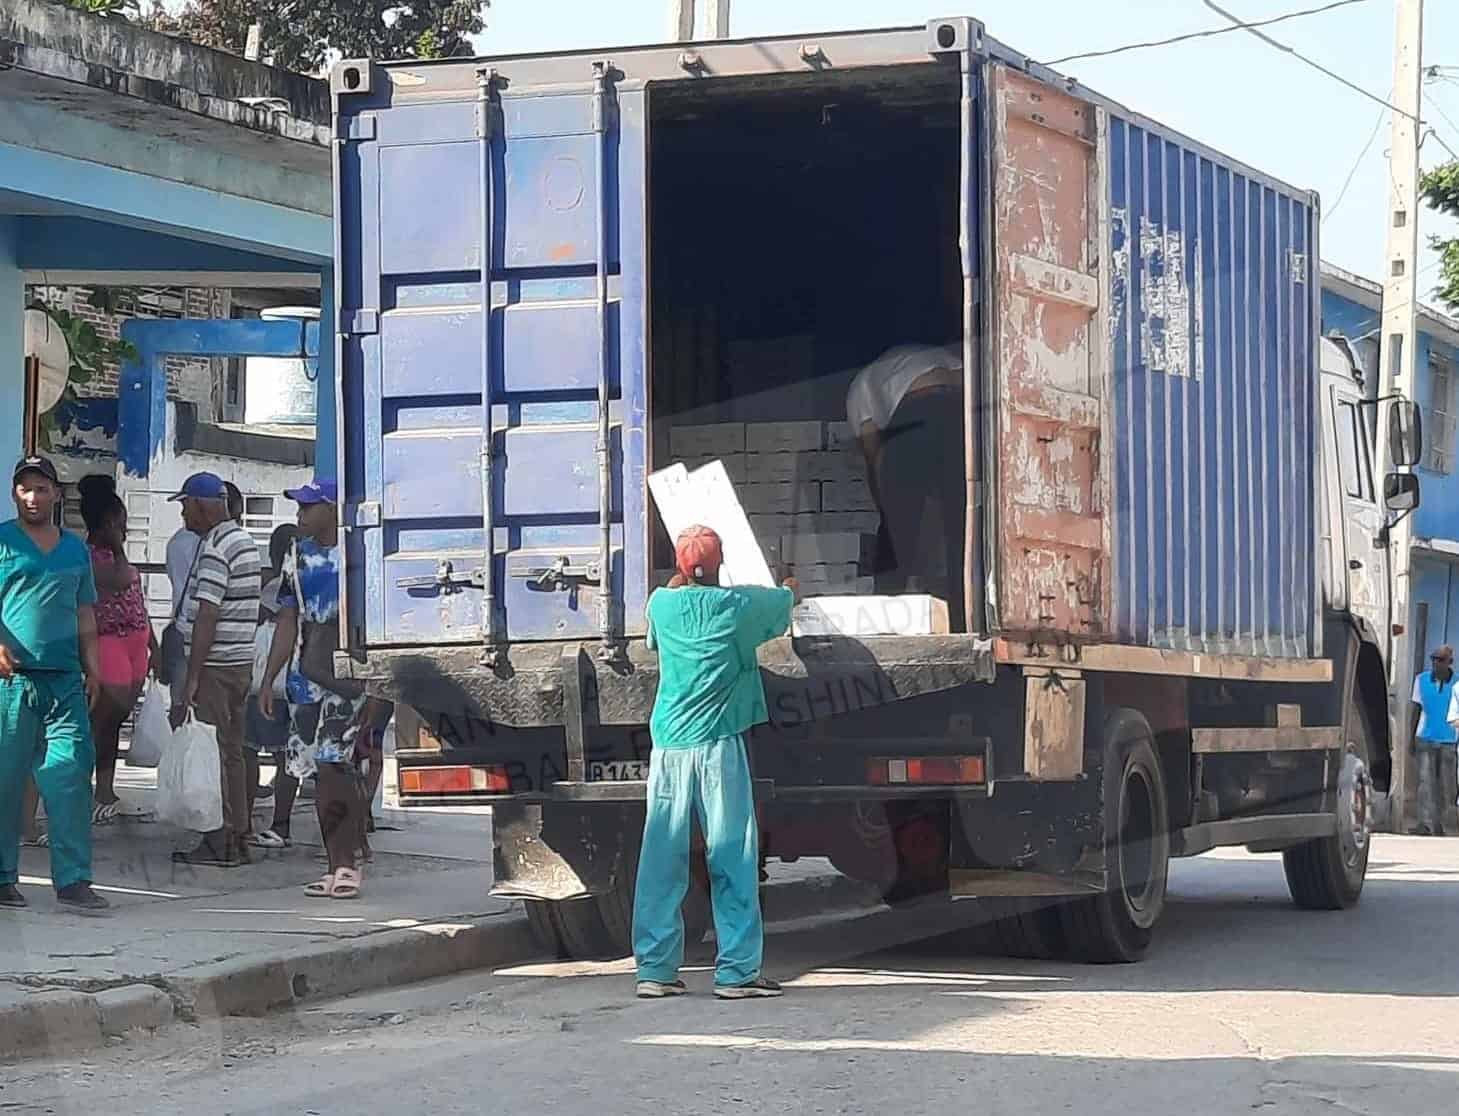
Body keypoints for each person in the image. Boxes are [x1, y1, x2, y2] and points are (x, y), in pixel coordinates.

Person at [633, 524, 796, 1000]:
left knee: (662, 855)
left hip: (668, 746)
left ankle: (655, 971)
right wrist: (789, 586)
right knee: (730, 853)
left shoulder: (661, 605)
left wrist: (679, 584)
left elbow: (652, 644)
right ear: (720, 563)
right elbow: (782, 606)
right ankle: (737, 972)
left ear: (679, 567)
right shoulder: (738, 606)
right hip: (718, 745)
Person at [258, 479, 388, 897]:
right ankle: (338, 862)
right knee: (318, 771)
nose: (300, 515)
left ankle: (346, 862)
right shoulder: (297, 555)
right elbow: (287, 620)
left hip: (351, 675)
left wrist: (380, 685)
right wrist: (270, 678)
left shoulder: (360, 555)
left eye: (308, 507)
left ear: (332, 509)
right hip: (307, 677)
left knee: (336, 765)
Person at [0, 455, 110, 911]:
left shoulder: (73, 549)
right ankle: (4, 876)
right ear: (14, 494)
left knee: (69, 777)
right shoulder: (3, 541)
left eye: (41, 488)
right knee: (6, 782)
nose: (33, 496)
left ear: (56, 494)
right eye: (24, 488)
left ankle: (73, 879)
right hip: (12, 682)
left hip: (65, 680)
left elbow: (85, 611)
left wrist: (94, 668)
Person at [168, 472, 261, 867]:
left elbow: (208, 613)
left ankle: (220, 841)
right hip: (238, 662)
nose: (183, 512)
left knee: (215, 753)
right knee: (232, 752)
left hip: (216, 666)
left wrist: (192, 677)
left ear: (203, 505)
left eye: (185, 504)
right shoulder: (243, 540)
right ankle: (237, 836)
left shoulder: (217, 547)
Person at [846, 342, 965, 627]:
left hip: (919, 406)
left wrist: (885, 508)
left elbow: (876, 458)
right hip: (963, 409)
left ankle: (883, 614)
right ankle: (963, 619)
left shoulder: (857, 389)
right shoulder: (926, 357)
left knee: (897, 528)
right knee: (962, 526)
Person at [83, 492, 158, 823]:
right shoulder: (88, 558)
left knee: (115, 721)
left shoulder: (115, 557)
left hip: (136, 638)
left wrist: (154, 646)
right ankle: (84, 788)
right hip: (107, 640)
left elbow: (138, 601)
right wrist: (117, 547)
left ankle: (107, 788)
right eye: (117, 524)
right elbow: (120, 579)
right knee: (100, 719)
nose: (123, 529)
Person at [1413, 645, 1459, 836]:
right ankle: (1426, 824)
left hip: (1449, 740)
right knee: (1425, 783)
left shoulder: (1457, 684)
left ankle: (1446, 825)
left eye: (1440, 660)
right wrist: (1410, 738)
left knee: (1448, 785)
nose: (1435, 663)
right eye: (1433, 659)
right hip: (1426, 737)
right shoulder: (1421, 680)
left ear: (1450, 662)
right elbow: (1415, 710)